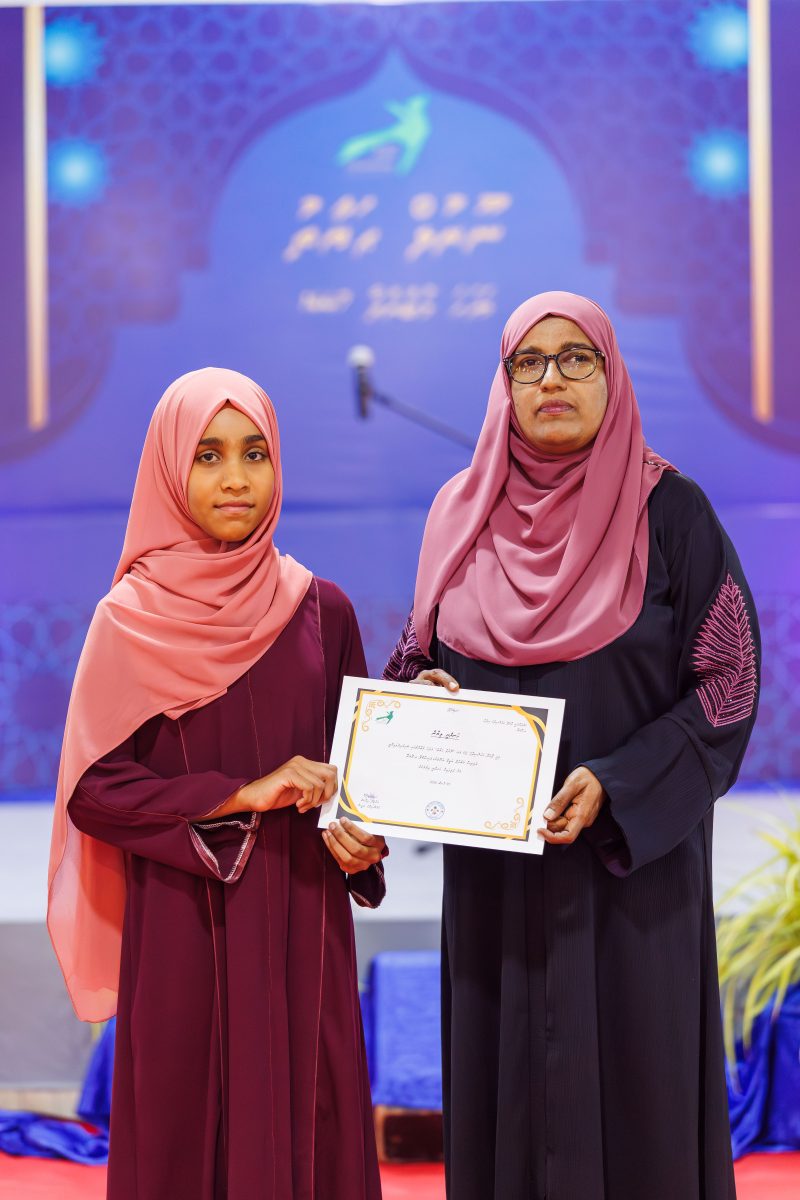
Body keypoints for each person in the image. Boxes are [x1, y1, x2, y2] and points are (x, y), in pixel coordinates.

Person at [384, 292, 759, 1200]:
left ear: (611, 374)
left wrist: (620, 783)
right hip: (496, 892)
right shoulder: (458, 516)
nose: (552, 379)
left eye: (576, 358)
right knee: (506, 1103)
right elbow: (412, 663)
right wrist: (419, 700)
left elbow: (730, 680)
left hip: (632, 882)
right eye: (529, 362)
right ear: (504, 383)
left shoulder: (672, 513)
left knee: (641, 1104)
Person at [47, 368, 386, 1200]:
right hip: (182, 929)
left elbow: (360, 780)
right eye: (208, 455)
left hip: (302, 924)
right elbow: (94, 789)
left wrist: (365, 835)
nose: (235, 477)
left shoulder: (323, 611)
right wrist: (239, 793)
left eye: (254, 453)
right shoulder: (129, 619)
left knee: (309, 1119)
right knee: (186, 1128)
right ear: (171, 469)